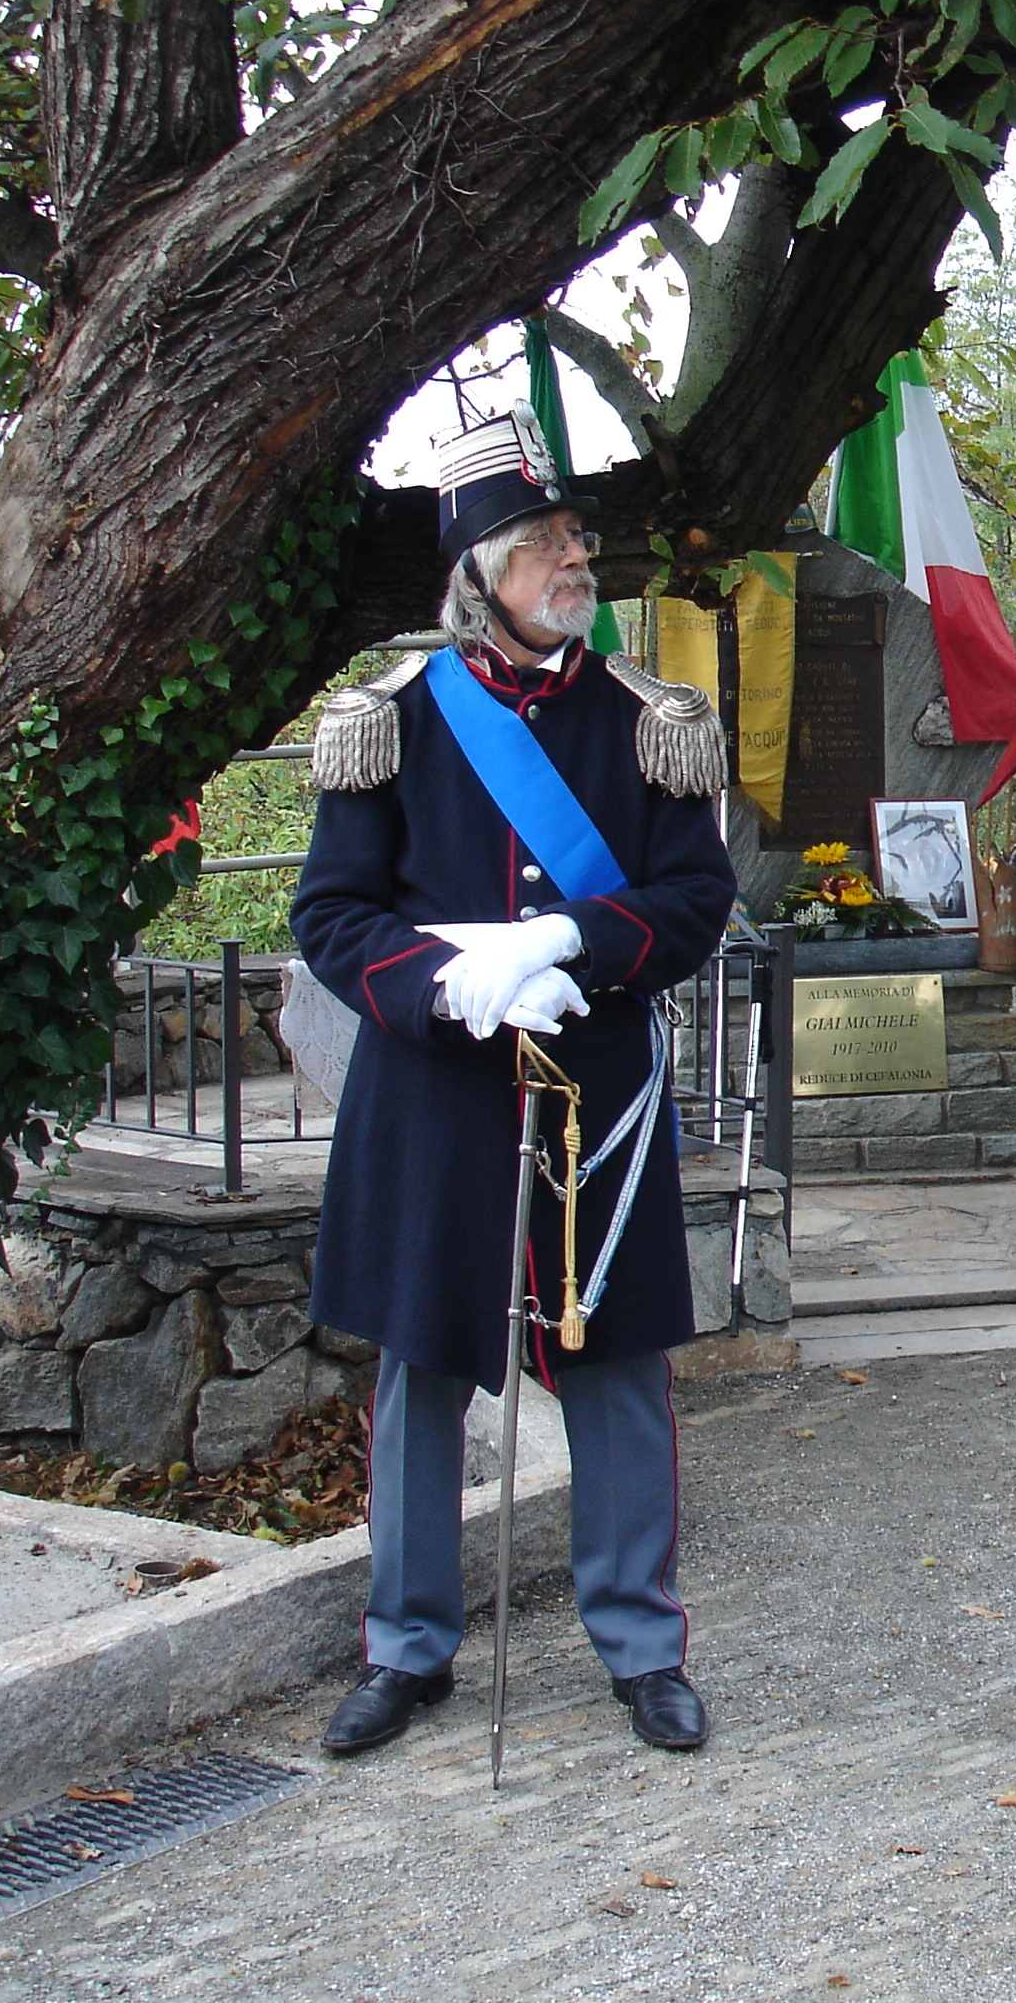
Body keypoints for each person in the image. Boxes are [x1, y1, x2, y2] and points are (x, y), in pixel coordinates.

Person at [292, 405, 739, 1752]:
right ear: (473, 569)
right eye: (541, 537)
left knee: (614, 1371)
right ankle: (408, 1645)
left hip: (592, 1096)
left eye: (574, 534)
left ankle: (641, 1646)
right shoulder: (387, 726)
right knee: (423, 1370)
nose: (571, 555)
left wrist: (571, 940)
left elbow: (696, 899)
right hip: (432, 1095)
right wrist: (440, 980)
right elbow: (330, 916)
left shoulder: (649, 723)